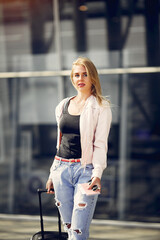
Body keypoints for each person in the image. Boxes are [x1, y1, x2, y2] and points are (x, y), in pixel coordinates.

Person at [46, 57, 112, 240]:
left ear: (93, 78)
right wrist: (52, 174)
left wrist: (97, 174)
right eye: (76, 75)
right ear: (72, 78)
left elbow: (100, 144)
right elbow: (60, 143)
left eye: (85, 74)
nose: (80, 78)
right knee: (69, 230)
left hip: (86, 172)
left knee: (78, 233)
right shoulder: (63, 105)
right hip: (61, 170)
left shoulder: (101, 107)